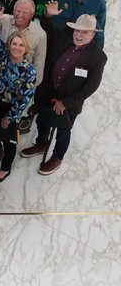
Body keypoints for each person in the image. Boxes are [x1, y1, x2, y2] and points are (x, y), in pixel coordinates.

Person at [20, 14, 106, 175]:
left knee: (63, 131)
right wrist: (48, 16)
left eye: (84, 32)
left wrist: (65, 103)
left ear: (93, 34)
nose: (79, 35)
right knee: (43, 122)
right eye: (77, 31)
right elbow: (47, 26)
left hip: (69, 102)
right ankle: (41, 144)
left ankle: (57, 157)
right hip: (49, 91)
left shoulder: (98, 57)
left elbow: (91, 87)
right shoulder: (65, 36)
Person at [0, 7, 37, 183]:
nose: (17, 47)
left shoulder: (29, 70)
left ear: (25, 48)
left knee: (10, 140)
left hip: (12, 107)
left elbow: (26, 97)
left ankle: (6, 169)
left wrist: (11, 117)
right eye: (14, 43)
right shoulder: (4, 55)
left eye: (21, 45)